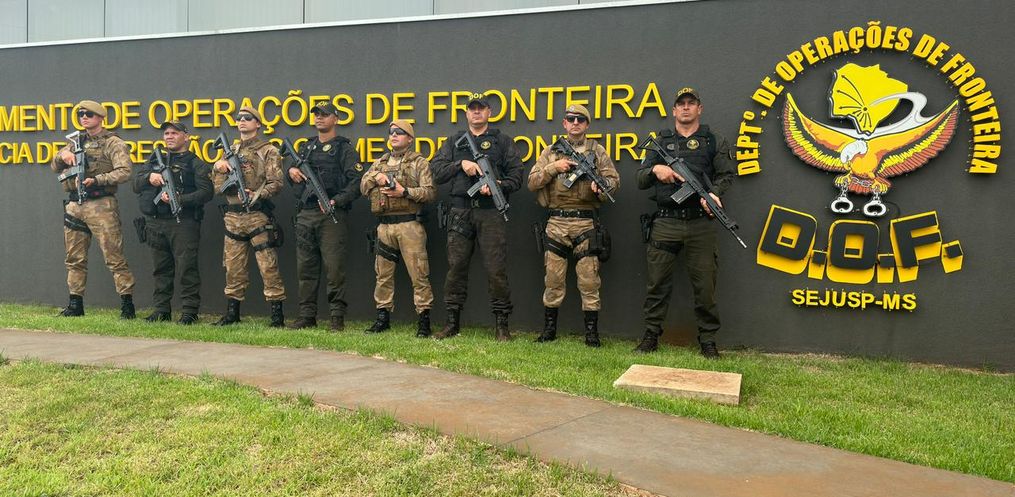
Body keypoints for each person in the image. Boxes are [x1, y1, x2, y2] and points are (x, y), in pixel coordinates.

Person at [636, 87, 735, 358]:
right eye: (681, 104)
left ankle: (708, 340)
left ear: (699, 108)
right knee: (657, 283)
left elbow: (727, 175)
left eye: (691, 103)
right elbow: (640, 178)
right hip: (666, 222)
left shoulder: (713, 140)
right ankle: (651, 335)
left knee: (705, 286)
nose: (686, 107)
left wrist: (714, 194)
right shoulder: (660, 141)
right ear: (674, 110)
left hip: (700, 222)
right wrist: (656, 169)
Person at [430, 92, 524, 341]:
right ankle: (452, 323)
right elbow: (436, 171)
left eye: (481, 108)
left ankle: (502, 326)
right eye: (472, 108)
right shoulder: (454, 142)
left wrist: (498, 185)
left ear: (489, 112)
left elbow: (517, 177)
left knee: (496, 269)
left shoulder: (502, 142)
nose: (476, 112)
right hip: (460, 211)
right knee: (456, 268)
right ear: (466, 113)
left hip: (490, 212)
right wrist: (460, 165)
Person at [528, 104, 619, 347]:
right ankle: (549, 330)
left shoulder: (597, 151)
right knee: (553, 279)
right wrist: (553, 168)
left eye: (580, 119)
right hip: (556, 222)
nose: (575, 122)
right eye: (571, 119)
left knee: (589, 281)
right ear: (565, 123)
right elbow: (532, 182)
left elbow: (613, 181)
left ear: (587, 124)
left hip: (585, 222)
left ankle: (591, 333)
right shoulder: (551, 151)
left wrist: (602, 188)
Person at [51, 100, 136, 319]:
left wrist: (98, 180)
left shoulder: (113, 143)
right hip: (75, 205)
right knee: (74, 257)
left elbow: (125, 171)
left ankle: (127, 305)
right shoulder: (75, 141)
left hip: (101, 205)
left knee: (114, 256)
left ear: (100, 117)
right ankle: (75, 304)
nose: (84, 118)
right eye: (81, 114)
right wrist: (62, 156)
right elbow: (54, 166)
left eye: (88, 114)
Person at [285, 102, 364, 332]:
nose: (319, 118)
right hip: (306, 213)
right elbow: (292, 170)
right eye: (316, 114)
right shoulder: (306, 147)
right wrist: (291, 171)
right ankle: (306, 315)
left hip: (331, 215)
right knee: (305, 268)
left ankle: (337, 317)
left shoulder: (344, 149)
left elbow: (357, 182)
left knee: (334, 269)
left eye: (324, 114)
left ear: (335, 119)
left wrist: (336, 201)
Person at [131, 120, 213, 325]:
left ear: (186, 137)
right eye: (166, 133)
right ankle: (161, 310)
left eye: (174, 133)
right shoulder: (153, 161)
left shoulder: (196, 163)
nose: (169, 136)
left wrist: (179, 199)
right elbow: (135, 184)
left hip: (183, 222)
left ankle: (189, 311)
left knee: (187, 268)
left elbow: (206, 193)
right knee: (160, 269)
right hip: (155, 222)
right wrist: (150, 177)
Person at [211, 106, 286, 327]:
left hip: (257, 215)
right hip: (233, 216)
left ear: (258, 123)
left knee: (268, 265)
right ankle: (232, 313)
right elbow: (218, 188)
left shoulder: (268, 150)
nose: (242, 121)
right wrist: (218, 168)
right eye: (239, 118)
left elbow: (276, 183)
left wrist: (257, 194)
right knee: (233, 267)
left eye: (248, 118)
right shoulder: (230, 151)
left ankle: (277, 315)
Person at [360, 120, 436, 337]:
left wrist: (405, 192)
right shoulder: (379, 163)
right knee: (383, 275)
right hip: (384, 226)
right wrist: (376, 177)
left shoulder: (419, 162)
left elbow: (430, 192)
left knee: (419, 274)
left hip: (409, 225)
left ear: (410, 139)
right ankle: (382, 318)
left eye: (399, 132)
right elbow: (363, 186)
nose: (393, 135)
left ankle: (424, 320)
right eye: (391, 132)